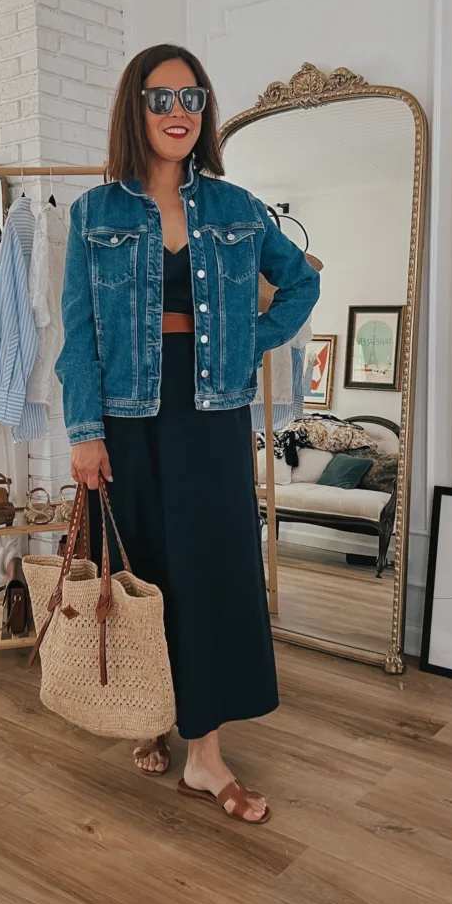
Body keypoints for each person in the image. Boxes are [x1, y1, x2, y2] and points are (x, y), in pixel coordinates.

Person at [55, 44, 320, 824]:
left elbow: (302, 280)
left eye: (192, 99)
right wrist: (83, 429)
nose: (179, 113)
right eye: (161, 97)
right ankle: (148, 717)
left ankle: (204, 755)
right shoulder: (94, 213)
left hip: (211, 414)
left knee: (210, 571)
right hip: (127, 418)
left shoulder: (238, 207)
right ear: (134, 109)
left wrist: (255, 339)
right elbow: (78, 334)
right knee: (142, 568)